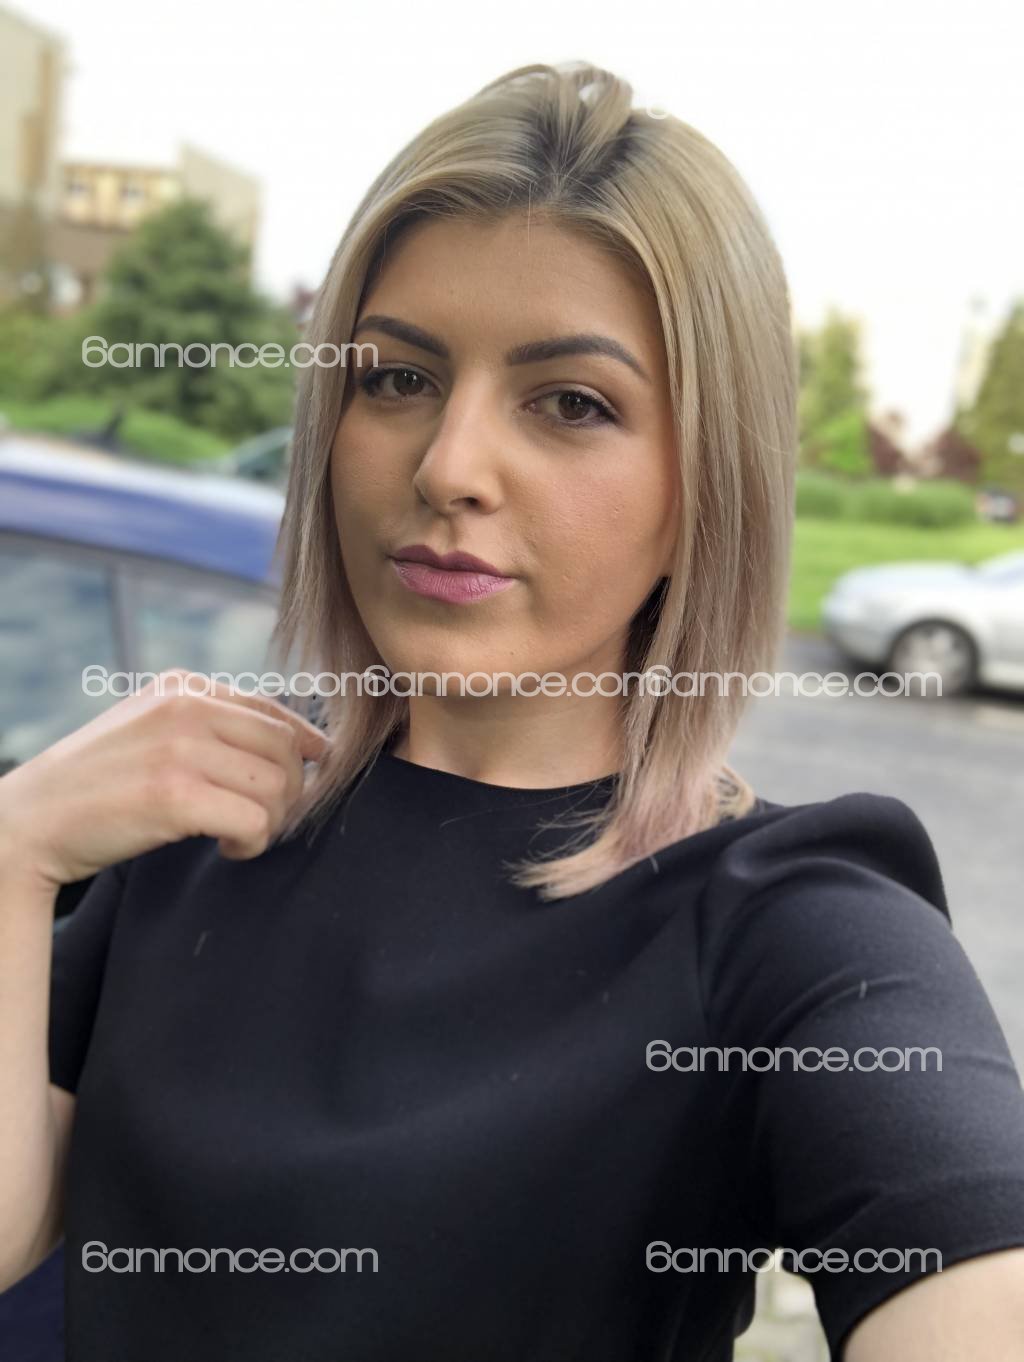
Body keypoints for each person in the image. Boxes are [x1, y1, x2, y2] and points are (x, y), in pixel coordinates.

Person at [1, 60, 1023, 1362]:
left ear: (707, 487)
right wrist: (14, 851)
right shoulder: (206, 809)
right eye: (396, 379)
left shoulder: (789, 924)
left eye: (572, 403)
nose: (449, 466)